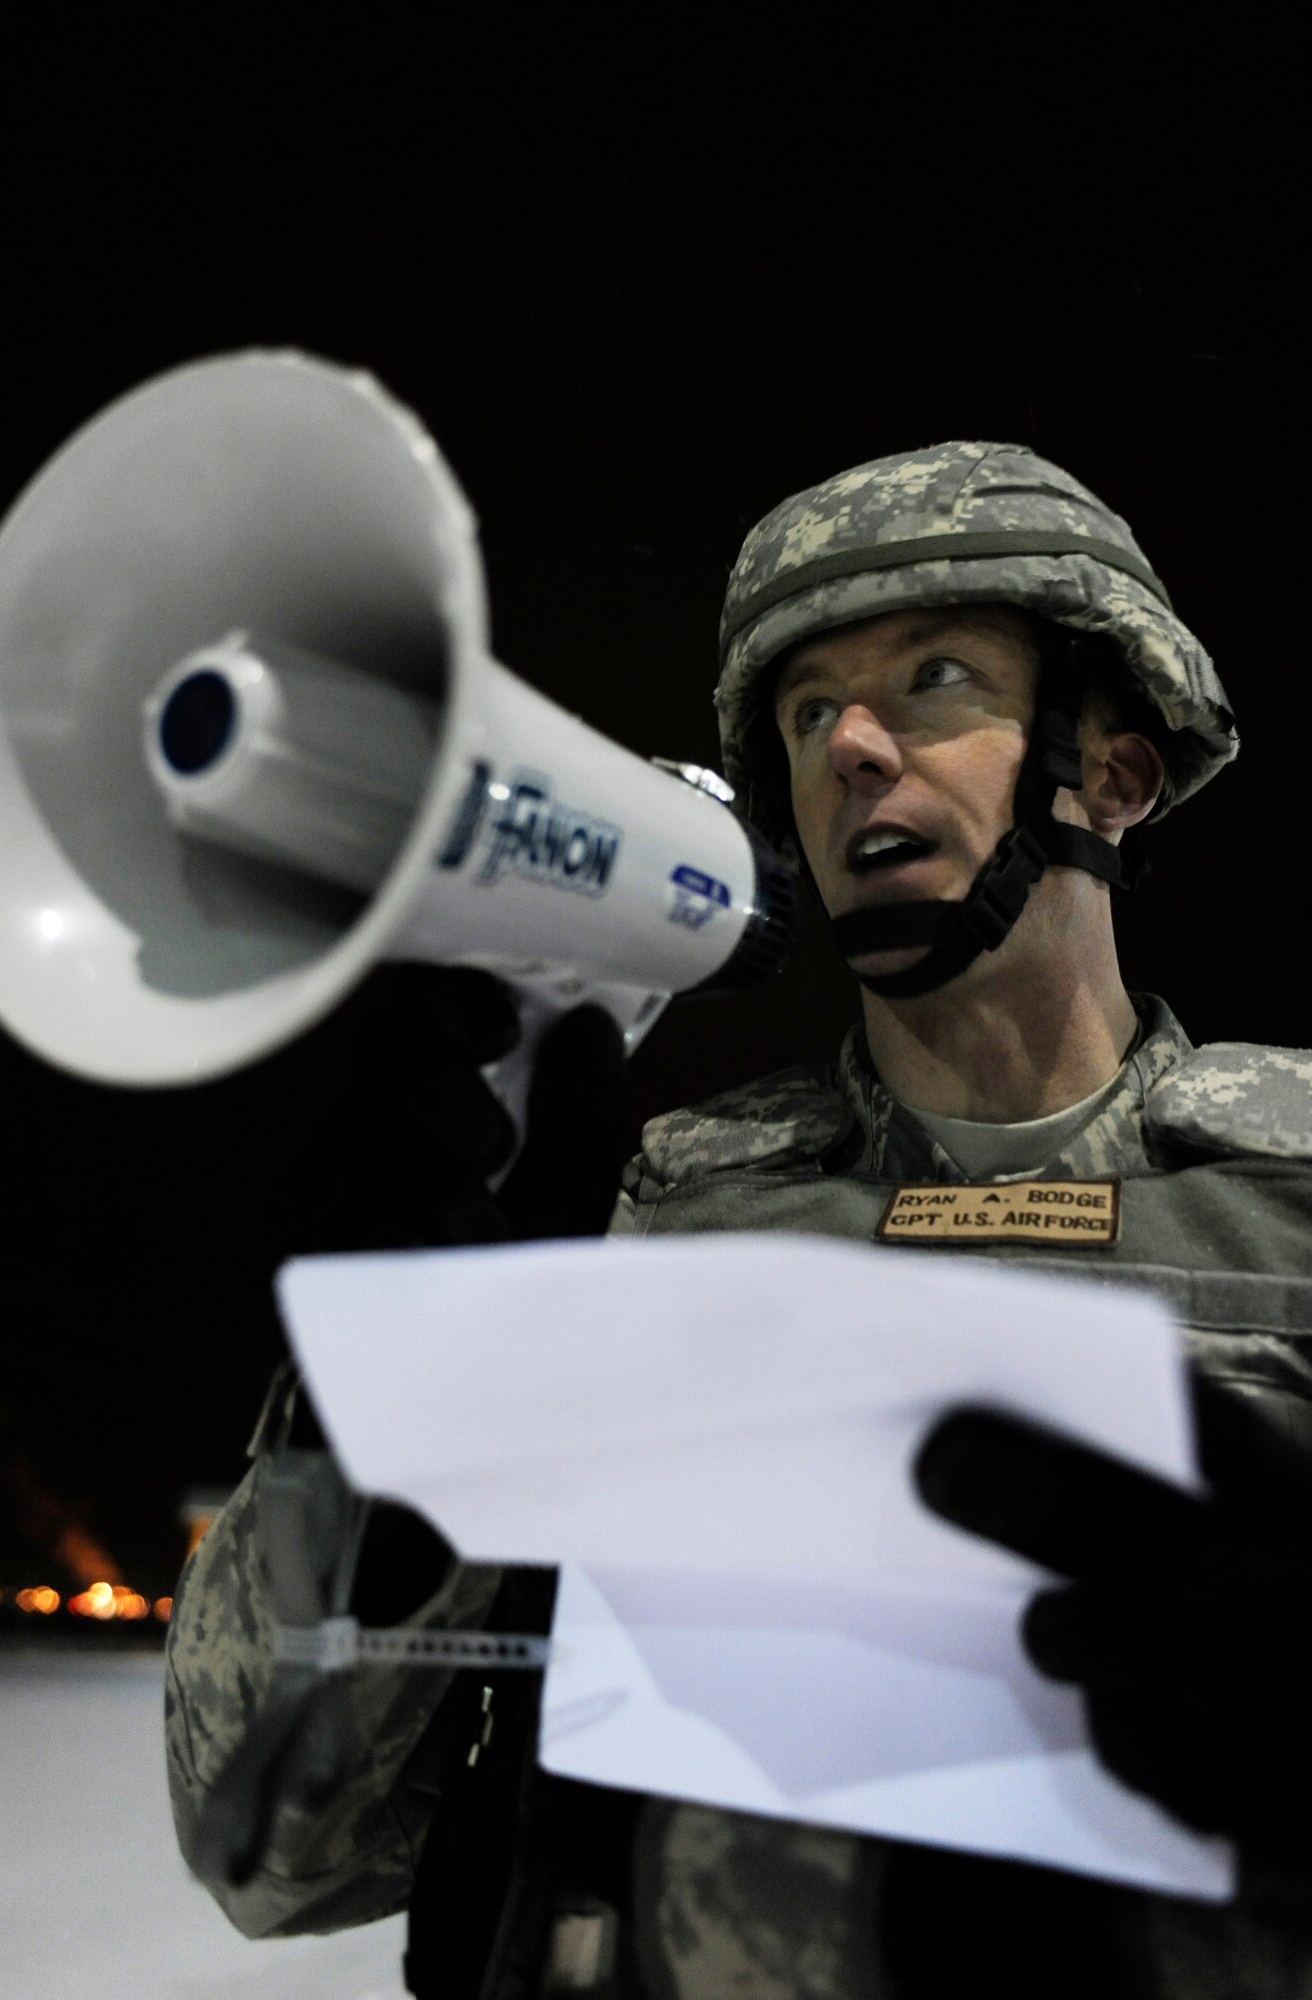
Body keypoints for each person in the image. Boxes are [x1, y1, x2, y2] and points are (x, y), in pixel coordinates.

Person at [166, 441, 1312, 1997]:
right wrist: (376, 1413)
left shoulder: (1292, 1198)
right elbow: (276, 1856)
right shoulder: (651, 1220)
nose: (848, 744)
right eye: (803, 710)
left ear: (1114, 770)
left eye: (935, 678)